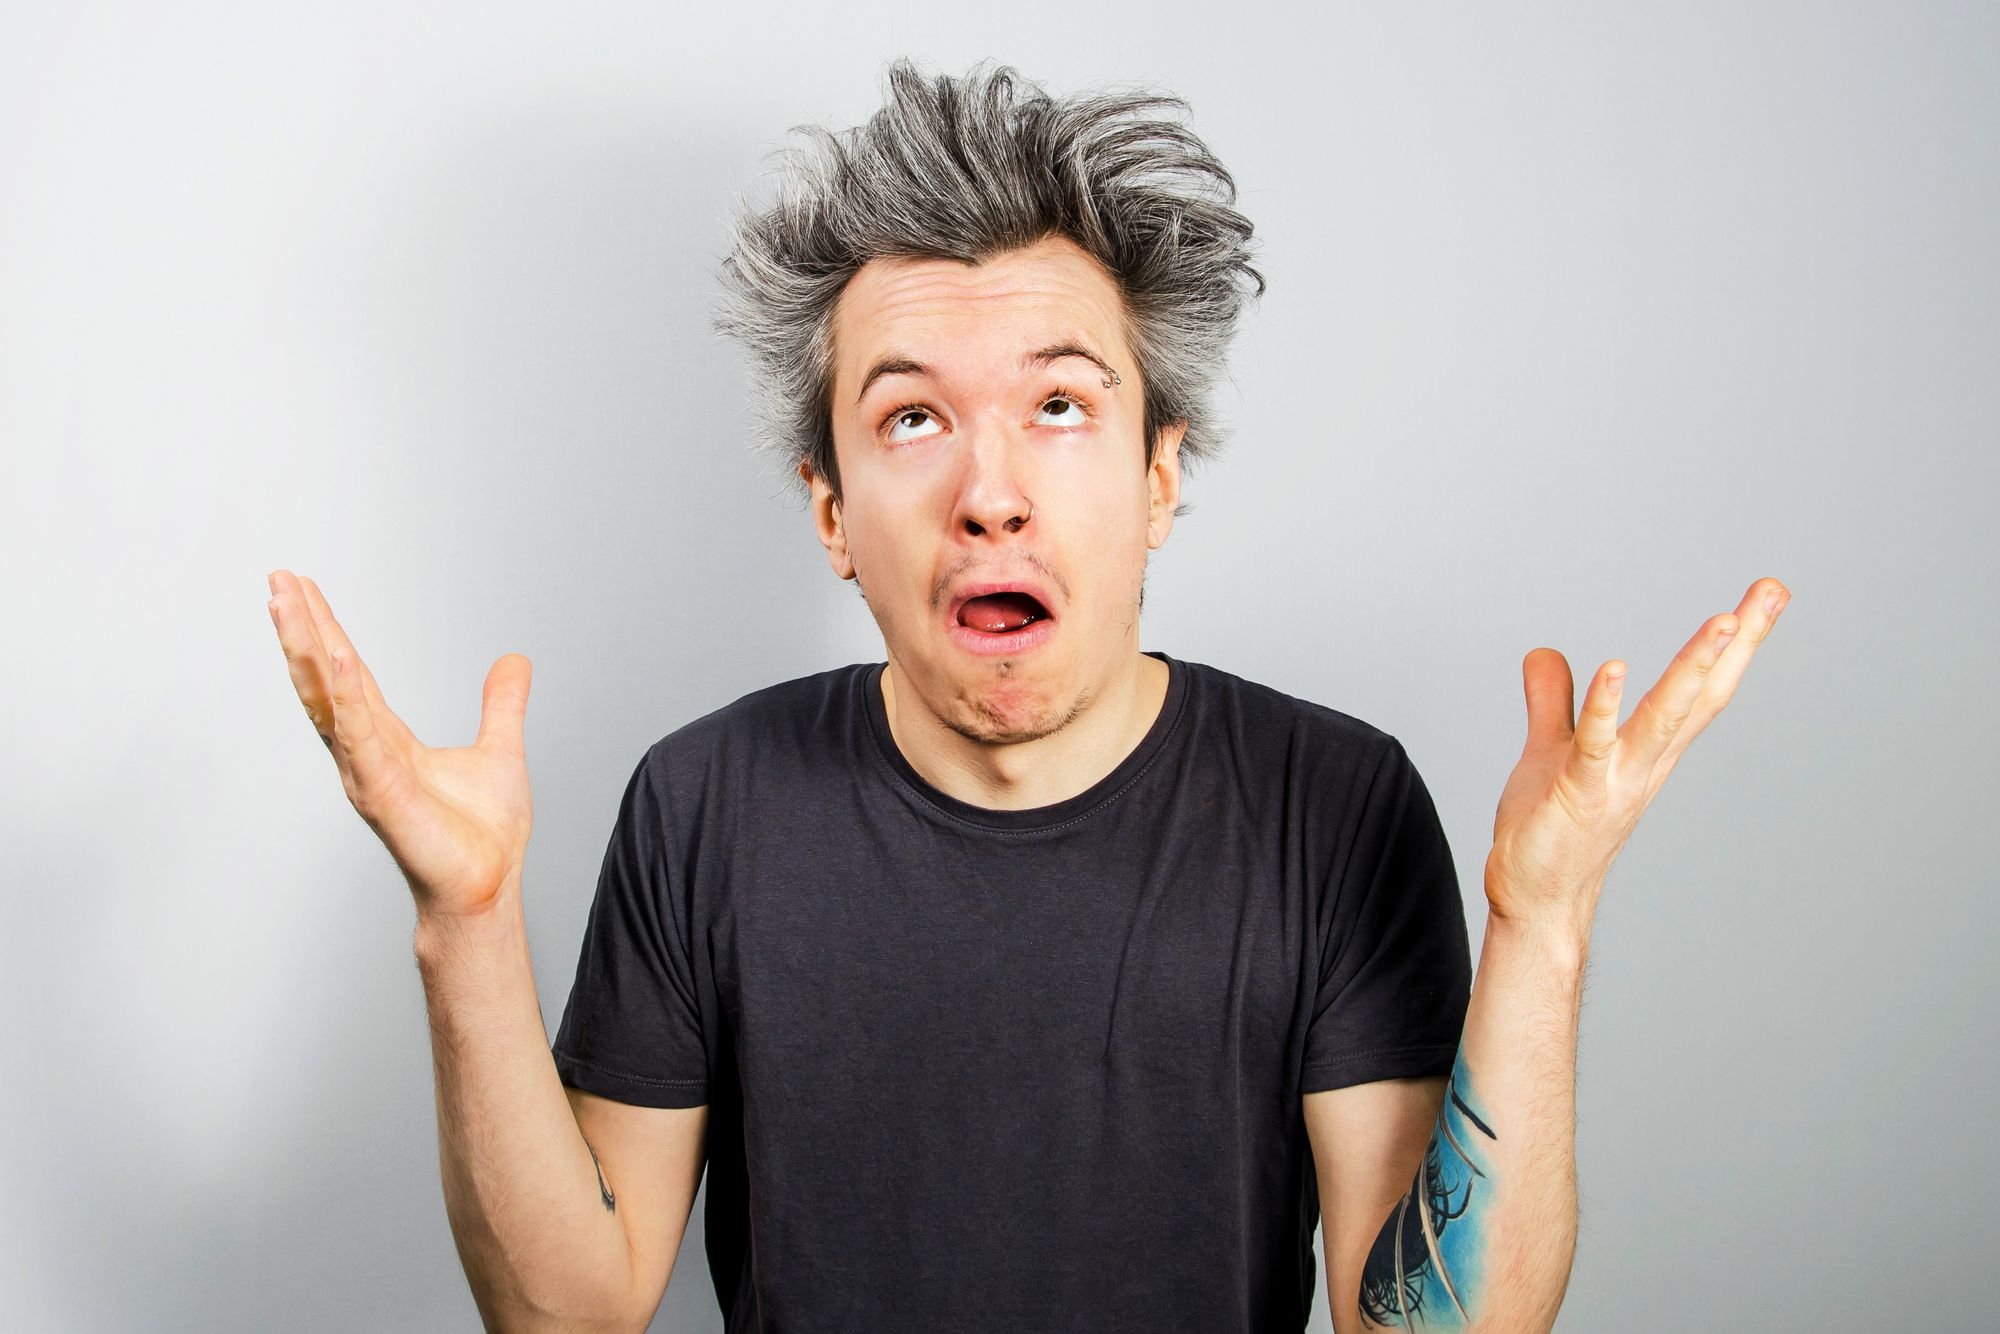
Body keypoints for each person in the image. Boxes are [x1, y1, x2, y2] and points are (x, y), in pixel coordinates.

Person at [265, 56, 1788, 1334]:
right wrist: (463, 928)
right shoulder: (705, 802)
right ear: (829, 508)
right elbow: (572, 1313)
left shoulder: (1334, 803)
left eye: (1061, 404)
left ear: (1159, 473)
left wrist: (1545, 933)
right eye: (912, 415)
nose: (991, 491)